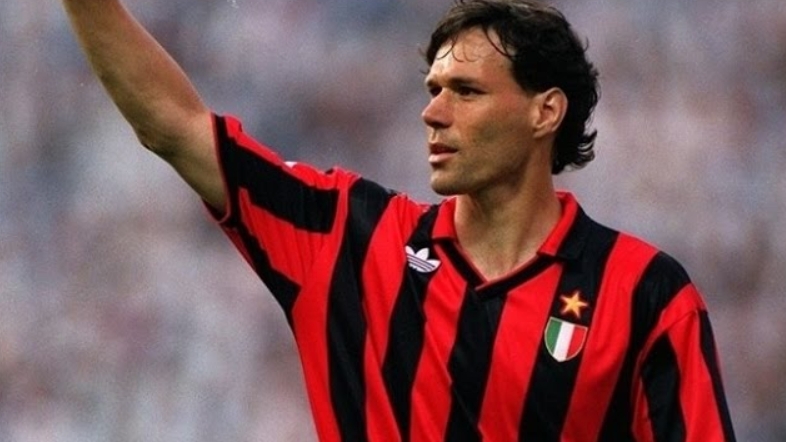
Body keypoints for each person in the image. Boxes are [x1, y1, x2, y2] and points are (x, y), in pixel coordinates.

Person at [62, 0, 735, 440]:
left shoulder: (646, 294)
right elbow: (175, 127)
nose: (432, 113)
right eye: (433, 90)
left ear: (545, 111)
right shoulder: (351, 239)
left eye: (466, 92)